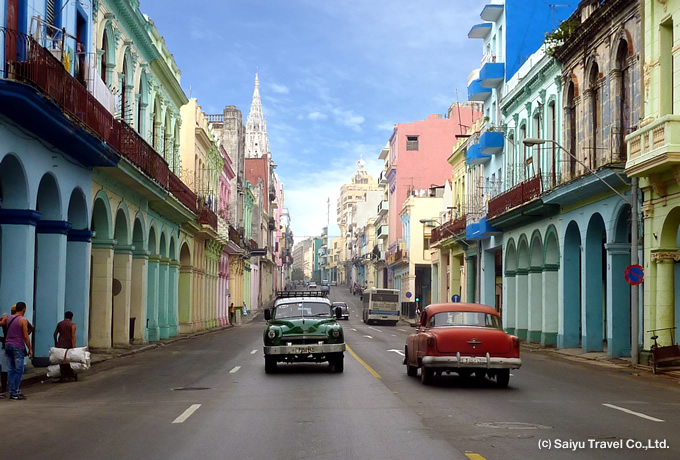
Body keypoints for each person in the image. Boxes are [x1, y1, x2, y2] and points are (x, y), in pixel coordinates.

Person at [4, 302, 33, 400]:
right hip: (17, 346)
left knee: (11, 370)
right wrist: (30, 349)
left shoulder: (8, 318)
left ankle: (12, 392)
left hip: (7, 345)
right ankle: (15, 393)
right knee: (19, 370)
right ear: (24, 309)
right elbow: (25, 336)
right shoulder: (23, 320)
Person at [53, 311, 77, 382]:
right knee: (68, 360)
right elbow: (73, 336)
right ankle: (70, 375)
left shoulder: (60, 324)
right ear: (71, 317)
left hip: (60, 344)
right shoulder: (72, 325)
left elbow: (55, 334)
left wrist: (56, 343)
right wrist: (73, 346)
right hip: (68, 344)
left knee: (61, 360)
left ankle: (63, 375)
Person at [0, 312, 8, 399]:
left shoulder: (5, 320)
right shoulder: (20, 320)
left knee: (4, 370)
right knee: (16, 370)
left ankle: (4, 389)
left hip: (6, 347)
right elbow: (31, 328)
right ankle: (15, 390)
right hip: (15, 347)